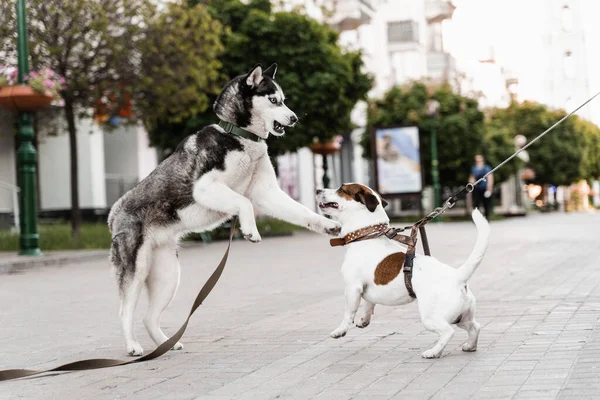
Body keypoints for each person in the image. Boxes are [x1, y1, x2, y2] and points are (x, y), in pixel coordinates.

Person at [469, 154, 494, 219]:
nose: (478, 161)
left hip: (484, 189)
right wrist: (471, 185)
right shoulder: (474, 168)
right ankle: (476, 218)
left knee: (486, 204)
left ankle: (487, 218)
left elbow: (490, 178)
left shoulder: (486, 168)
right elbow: (472, 178)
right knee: (476, 205)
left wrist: (489, 189)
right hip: (476, 189)